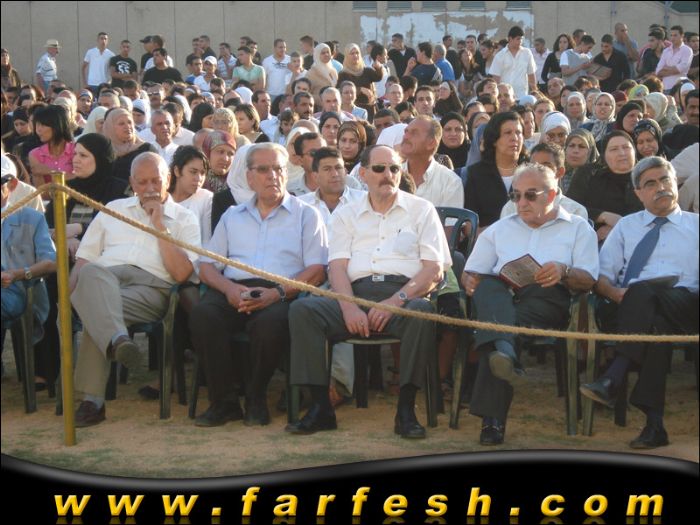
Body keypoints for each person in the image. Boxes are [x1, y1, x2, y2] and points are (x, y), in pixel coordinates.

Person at [286, 144, 451, 438]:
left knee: (422, 314)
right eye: (379, 168)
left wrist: (395, 301)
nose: (387, 174)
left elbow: (434, 270)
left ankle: (406, 410)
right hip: (355, 293)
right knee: (303, 311)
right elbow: (337, 267)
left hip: (404, 296)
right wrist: (349, 306)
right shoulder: (346, 213)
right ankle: (321, 407)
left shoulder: (421, 210)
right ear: (362, 174)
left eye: (394, 168)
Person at [189, 143, 327, 427]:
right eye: (263, 169)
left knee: (269, 325)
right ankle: (224, 401)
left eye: (278, 169)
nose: (272, 176)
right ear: (249, 177)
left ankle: (256, 397)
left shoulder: (307, 215)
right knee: (204, 315)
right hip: (234, 288)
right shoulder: (232, 215)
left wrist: (277, 293)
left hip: (283, 292)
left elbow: (317, 270)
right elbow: (207, 266)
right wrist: (228, 289)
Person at [463, 162, 598, 445]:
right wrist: (470, 281)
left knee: (496, 330)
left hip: (547, 298)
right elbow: (473, 272)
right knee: (488, 288)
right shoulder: (500, 229)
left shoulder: (577, 228)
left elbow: (589, 280)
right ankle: (505, 352)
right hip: (502, 297)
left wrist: (564, 271)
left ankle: (494, 412)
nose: (521, 202)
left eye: (530, 195)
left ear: (552, 195)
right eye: (515, 195)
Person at [69, 152, 200, 426]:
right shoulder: (113, 209)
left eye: (156, 181)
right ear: (131, 183)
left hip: (150, 288)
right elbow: (84, 260)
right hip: (104, 280)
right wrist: (68, 298)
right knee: (92, 277)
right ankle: (118, 340)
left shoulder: (185, 218)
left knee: (97, 311)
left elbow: (181, 273)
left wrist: (159, 224)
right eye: (142, 182)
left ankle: (92, 401)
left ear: (168, 179)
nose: (150, 188)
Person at [581, 156, 698, 449]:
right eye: (651, 184)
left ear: (675, 183)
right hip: (633, 308)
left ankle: (615, 374)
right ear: (638, 193)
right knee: (655, 325)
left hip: (687, 305)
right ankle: (654, 426)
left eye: (665, 180)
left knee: (645, 292)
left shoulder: (697, 226)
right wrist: (614, 293)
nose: (661, 187)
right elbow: (602, 277)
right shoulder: (626, 227)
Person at [1, 168, 56, 355]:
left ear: (11, 185)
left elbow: (51, 261)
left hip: (19, 291)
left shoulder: (31, 218)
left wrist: (19, 274)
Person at [568, 131, 643, 242]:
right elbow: (570, 206)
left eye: (626, 147)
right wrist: (603, 216)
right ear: (604, 155)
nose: (621, 153)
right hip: (592, 239)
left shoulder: (647, 177)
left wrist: (618, 228)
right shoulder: (589, 174)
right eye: (614, 149)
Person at [501, 142, 587, 219]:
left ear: (560, 172)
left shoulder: (575, 212)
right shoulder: (512, 208)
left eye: (545, 167)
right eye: (533, 166)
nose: (538, 171)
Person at [168, 145, 213, 245]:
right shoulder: (163, 198)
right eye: (193, 172)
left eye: (202, 173)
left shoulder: (206, 198)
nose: (199, 178)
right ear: (177, 171)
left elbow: (207, 241)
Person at [102, 107, 156, 181]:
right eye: (121, 124)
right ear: (110, 128)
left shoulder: (146, 150)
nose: (127, 126)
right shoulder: (104, 151)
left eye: (130, 122)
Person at [27, 104, 75, 187]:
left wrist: (51, 171)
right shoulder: (35, 155)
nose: (38, 130)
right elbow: (41, 191)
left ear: (57, 125)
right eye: (37, 125)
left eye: (43, 125)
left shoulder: (76, 150)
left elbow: (81, 179)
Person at [337, 44, 383, 121]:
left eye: (357, 53)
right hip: (352, 111)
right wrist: (360, 89)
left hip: (369, 109)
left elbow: (378, 77)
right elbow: (338, 90)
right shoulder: (343, 74)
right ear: (347, 56)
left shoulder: (366, 71)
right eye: (352, 53)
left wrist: (378, 68)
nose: (355, 55)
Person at [489, 26, 537, 99]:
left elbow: (531, 74)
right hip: (505, 97)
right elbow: (496, 78)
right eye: (518, 39)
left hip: (522, 95)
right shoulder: (500, 55)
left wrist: (535, 91)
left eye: (521, 39)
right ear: (510, 39)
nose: (520, 41)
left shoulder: (527, 53)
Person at [655, 26, 693, 92]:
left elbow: (681, 68)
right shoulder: (666, 51)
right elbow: (658, 71)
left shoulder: (687, 50)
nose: (672, 38)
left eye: (675, 35)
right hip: (665, 87)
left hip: (680, 88)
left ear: (682, 36)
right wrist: (675, 69)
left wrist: (666, 68)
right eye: (671, 35)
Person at [562, 128, 599, 193]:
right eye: (571, 146)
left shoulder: (598, 179)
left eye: (582, 146)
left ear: (590, 151)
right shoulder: (555, 175)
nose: (575, 151)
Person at [202, 130, 236, 194]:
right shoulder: (196, 180)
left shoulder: (237, 184)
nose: (225, 159)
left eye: (230, 154)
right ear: (207, 153)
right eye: (220, 152)